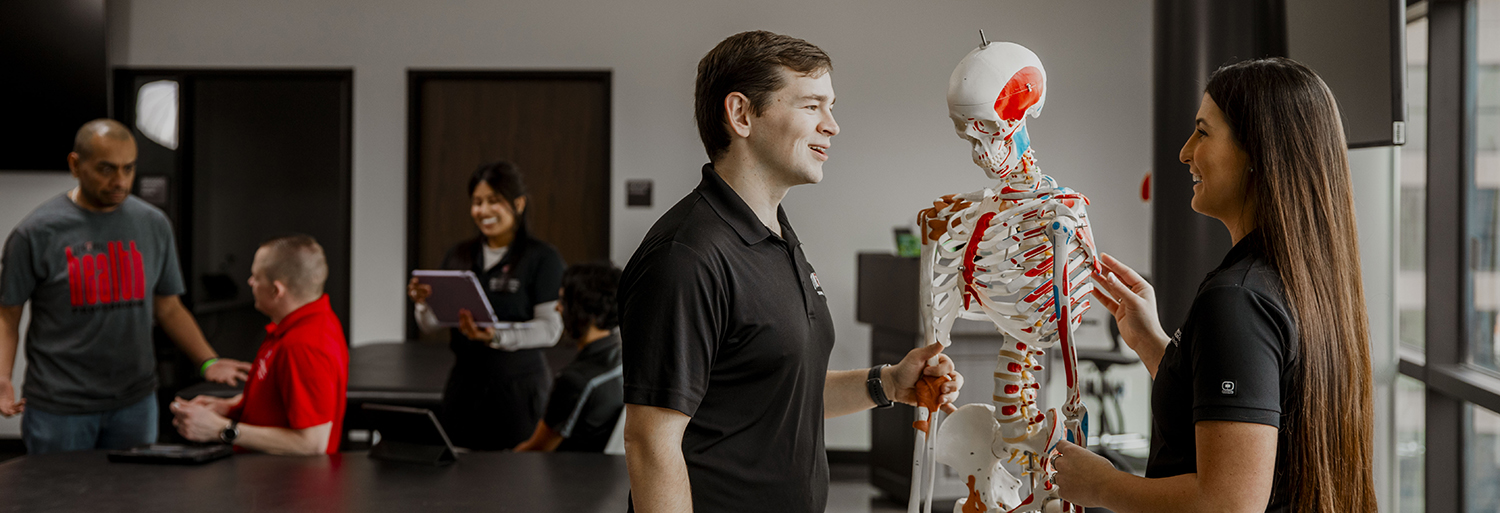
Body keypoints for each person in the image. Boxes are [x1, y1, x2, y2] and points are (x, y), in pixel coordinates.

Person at [619, 30, 964, 513]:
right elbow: (650, 443)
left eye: (831, 106)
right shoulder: (687, 257)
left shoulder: (776, 235)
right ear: (741, 114)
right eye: (811, 106)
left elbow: (776, 394)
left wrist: (887, 383)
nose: (833, 126)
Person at [1052, 57, 1377, 513]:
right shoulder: (1307, 281)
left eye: (1203, 133)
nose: (1185, 153)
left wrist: (1102, 485)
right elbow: (1248, 409)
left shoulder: (1238, 299)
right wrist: (1149, 342)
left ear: (1259, 152)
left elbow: (1227, 503)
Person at [0, 119, 251, 454]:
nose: (119, 181)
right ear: (75, 164)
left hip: (134, 402)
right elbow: (8, 315)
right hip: (60, 407)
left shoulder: (153, 224)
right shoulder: (35, 233)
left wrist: (207, 360)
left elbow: (168, 307)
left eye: (128, 169)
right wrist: (3, 376)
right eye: (106, 169)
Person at [406, 161, 566, 450]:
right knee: (457, 473)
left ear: (518, 204)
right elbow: (431, 324)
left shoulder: (542, 258)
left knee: (516, 476)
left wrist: (496, 335)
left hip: (517, 389)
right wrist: (423, 304)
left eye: (494, 201)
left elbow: (550, 329)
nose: (483, 211)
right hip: (464, 387)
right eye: (477, 202)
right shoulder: (459, 254)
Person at [169, 236, 348, 455]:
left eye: (256, 277)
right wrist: (230, 407)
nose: (250, 282)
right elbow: (279, 402)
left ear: (276, 290)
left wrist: (219, 429)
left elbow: (312, 443)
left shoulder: (303, 345)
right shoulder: (300, 325)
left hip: (287, 485)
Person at [514, 262, 623, 453]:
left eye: (563, 301)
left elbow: (537, 449)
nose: (557, 308)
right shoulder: (623, 359)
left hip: (567, 477)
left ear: (585, 309)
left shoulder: (575, 379)